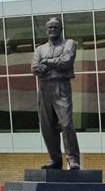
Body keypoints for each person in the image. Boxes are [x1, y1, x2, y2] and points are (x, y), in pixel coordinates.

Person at [31, 17, 80, 170]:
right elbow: (34, 68)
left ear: (61, 29)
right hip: (44, 89)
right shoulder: (40, 49)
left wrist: (45, 62)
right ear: (46, 30)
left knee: (66, 124)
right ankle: (55, 160)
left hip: (61, 87)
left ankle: (72, 159)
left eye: (55, 27)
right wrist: (52, 63)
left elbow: (66, 62)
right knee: (47, 127)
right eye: (50, 28)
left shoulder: (69, 44)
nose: (52, 30)